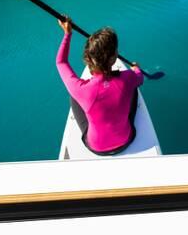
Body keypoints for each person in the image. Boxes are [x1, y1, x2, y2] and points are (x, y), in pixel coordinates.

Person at [56, 16, 144, 156]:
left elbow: (61, 62)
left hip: (96, 148)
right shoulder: (128, 77)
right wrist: (136, 69)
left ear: (91, 59)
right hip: (126, 141)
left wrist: (68, 34)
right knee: (134, 89)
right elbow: (140, 79)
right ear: (115, 57)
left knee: (73, 96)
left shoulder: (81, 90)